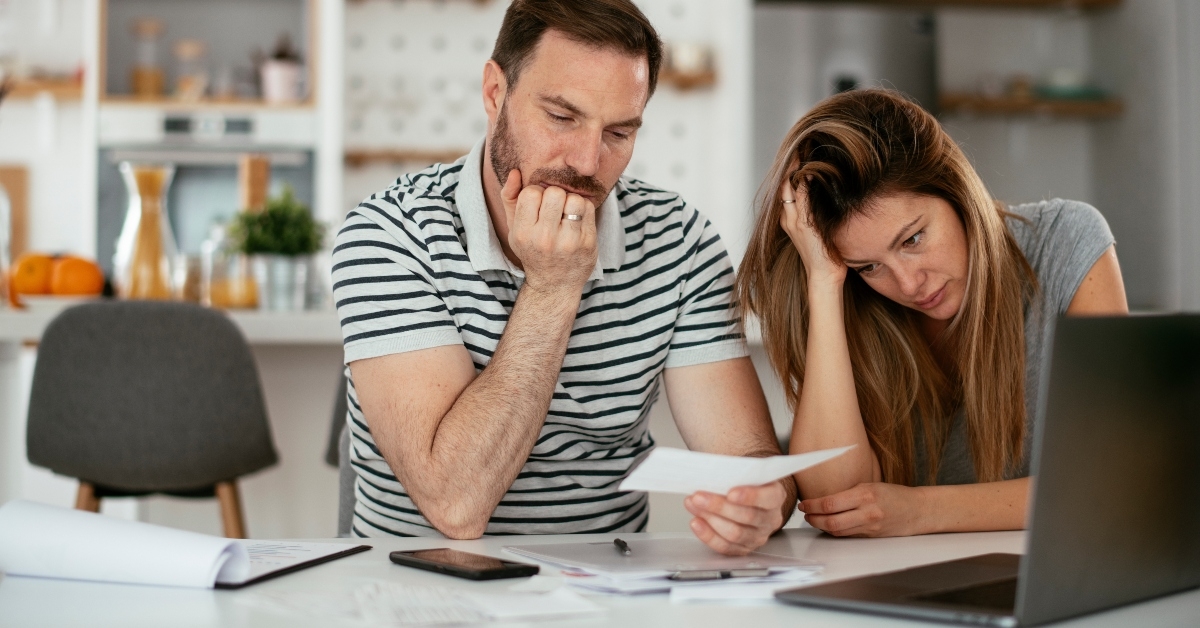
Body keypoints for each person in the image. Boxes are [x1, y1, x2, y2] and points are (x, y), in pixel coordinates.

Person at [331, 0, 795, 554]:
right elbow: (455, 503)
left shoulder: (680, 240)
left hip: (606, 591)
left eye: (619, 132)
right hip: (419, 588)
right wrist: (553, 286)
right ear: (494, 93)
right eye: (561, 117)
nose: (586, 160)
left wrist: (762, 499)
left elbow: (747, 457)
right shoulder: (388, 235)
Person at [737, 89, 1128, 537]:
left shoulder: (1066, 243)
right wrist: (825, 281)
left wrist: (922, 510)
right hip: (905, 587)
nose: (907, 284)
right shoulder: (850, 298)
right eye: (870, 266)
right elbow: (837, 499)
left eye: (913, 239)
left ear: (955, 189)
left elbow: (1108, 482)